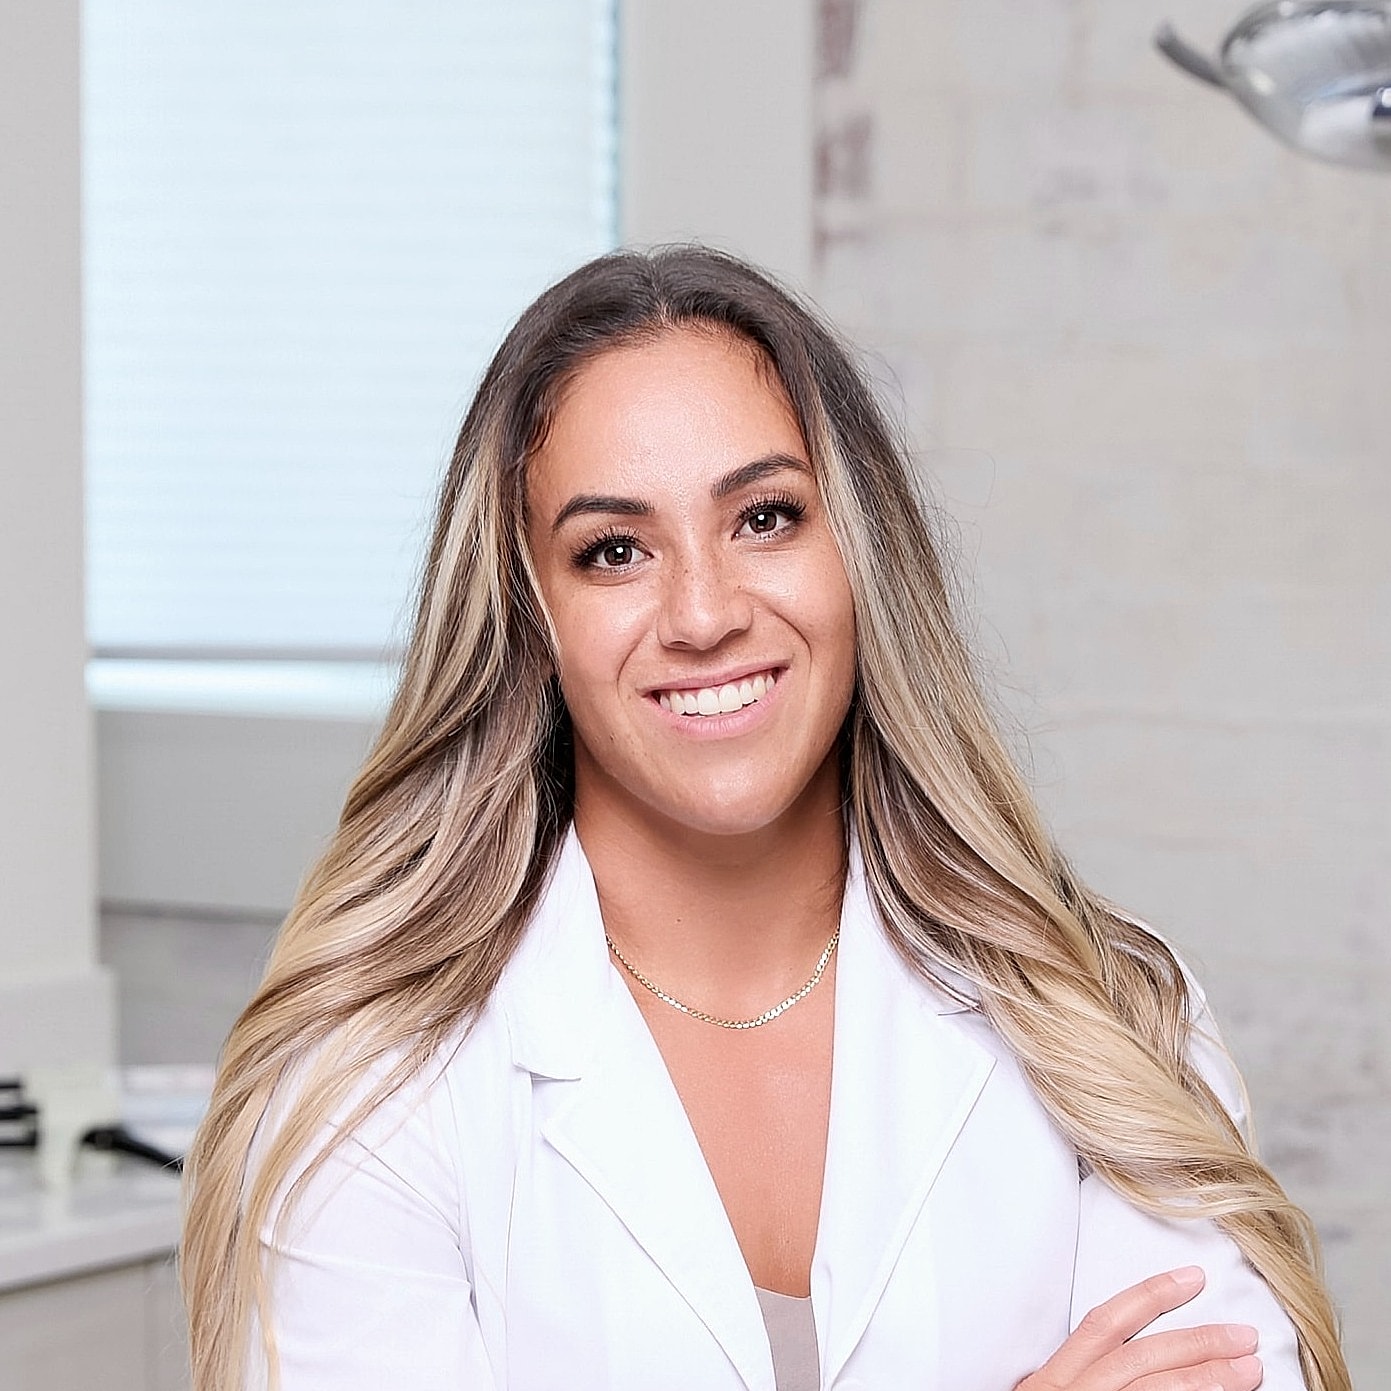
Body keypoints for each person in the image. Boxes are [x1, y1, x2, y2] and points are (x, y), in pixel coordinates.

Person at [181, 247, 1349, 1391]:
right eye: (614, 550)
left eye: (765, 518)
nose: (701, 612)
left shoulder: (1112, 1014)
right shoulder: (368, 1091)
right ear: (531, 621)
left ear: (860, 555)